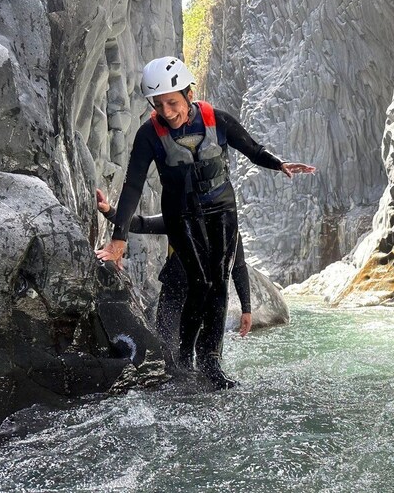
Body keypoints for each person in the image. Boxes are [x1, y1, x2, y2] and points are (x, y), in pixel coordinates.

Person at [96, 57, 315, 389]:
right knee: (199, 282)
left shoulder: (217, 120)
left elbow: (253, 150)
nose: (167, 111)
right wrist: (119, 235)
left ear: (188, 93)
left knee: (217, 283)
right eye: (159, 104)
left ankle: (211, 360)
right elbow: (133, 185)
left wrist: (279, 163)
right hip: (180, 215)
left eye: (172, 102)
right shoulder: (149, 135)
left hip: (222, 211)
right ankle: (186, 357)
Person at [96, 189, 251, 358]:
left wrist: (246, 309)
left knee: (210, 355)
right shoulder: (179, 218)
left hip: (211, 298)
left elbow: (239, 267)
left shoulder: (228, 228)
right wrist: (109, 211)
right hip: (175, 293)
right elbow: (140, 223)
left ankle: (206, 376)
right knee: (169, 351)